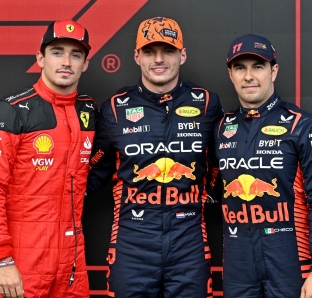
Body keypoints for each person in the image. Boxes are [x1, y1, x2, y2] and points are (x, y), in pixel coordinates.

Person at [87, 16, 223, 298]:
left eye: (168, 51)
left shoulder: (207, 103)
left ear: (182, 55)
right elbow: (92, 173)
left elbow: (222, 164)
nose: (159, 59)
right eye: (149, 51)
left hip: (189, 241)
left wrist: (202, 195)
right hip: (131, 242)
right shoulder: (114, 108)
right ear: (137, 56)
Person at [0, 20, 96, 298]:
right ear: (40, 58)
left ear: (85, 63)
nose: (66, 61)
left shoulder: (88, 109)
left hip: (73, 260)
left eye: (75, 55)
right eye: (57, 52)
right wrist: (3, 259)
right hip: (25, 258)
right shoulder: (9, 111)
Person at [215, 34, 312, 298]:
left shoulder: (303, 125)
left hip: (291, 260)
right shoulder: (220, 127)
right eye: (240, 68)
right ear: (231, 74)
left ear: (274, 71)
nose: (248, 76)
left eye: (257, 66)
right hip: (237, 262)